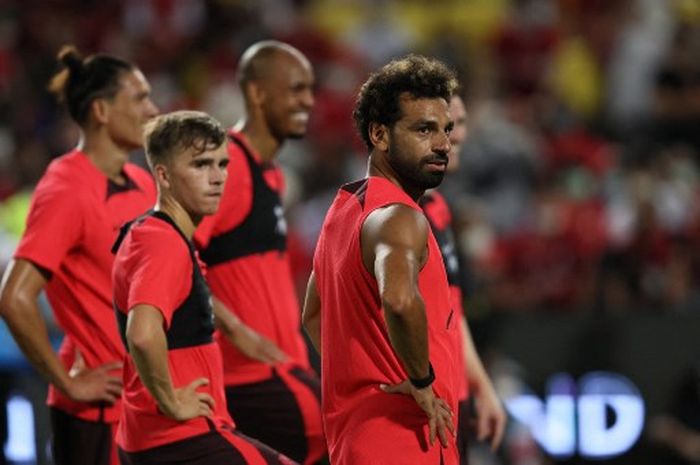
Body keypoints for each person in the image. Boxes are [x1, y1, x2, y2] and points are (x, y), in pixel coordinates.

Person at [0, 45, 159, 465]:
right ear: (101, 111)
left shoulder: (142, 184)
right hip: (100, 411)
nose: (152, 109)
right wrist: (67, 382)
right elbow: (14, 296)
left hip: (146, 403)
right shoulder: (67, 187)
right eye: (139, 98)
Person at [112, 110, 296, 465]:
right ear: (163, 175)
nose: (217, 178)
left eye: (222, 164)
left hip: (167, 438)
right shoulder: (161, 240)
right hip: (178, 438)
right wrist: (170, 401)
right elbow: (143, 333)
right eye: (200, 165)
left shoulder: (163, 236)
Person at [303, 54, 462, 465]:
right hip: (406, 439)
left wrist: (367, 376)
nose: (443, 144)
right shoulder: (398, 218)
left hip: (358, 440)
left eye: (446, 130)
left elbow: (313, 316)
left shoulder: (343, 212)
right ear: (380, 134)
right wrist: (420, 380)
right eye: (424, 130)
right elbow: (399, 299)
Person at [194, 40, 325, 464]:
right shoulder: (225, 165)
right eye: (296, 89)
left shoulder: (272, 176)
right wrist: (233, 327)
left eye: (310, 89)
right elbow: (174, 252)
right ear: (257, 93)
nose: (308, 100)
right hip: (247, 378)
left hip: (282, 369)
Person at [418, 94, 506, 463]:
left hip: (453, 395)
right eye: (441, 127)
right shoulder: (389, 213)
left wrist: (480, 384)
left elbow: (455, 313)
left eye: (459, 124)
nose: (455, 137)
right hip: (421, 401)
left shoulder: (438, 210)